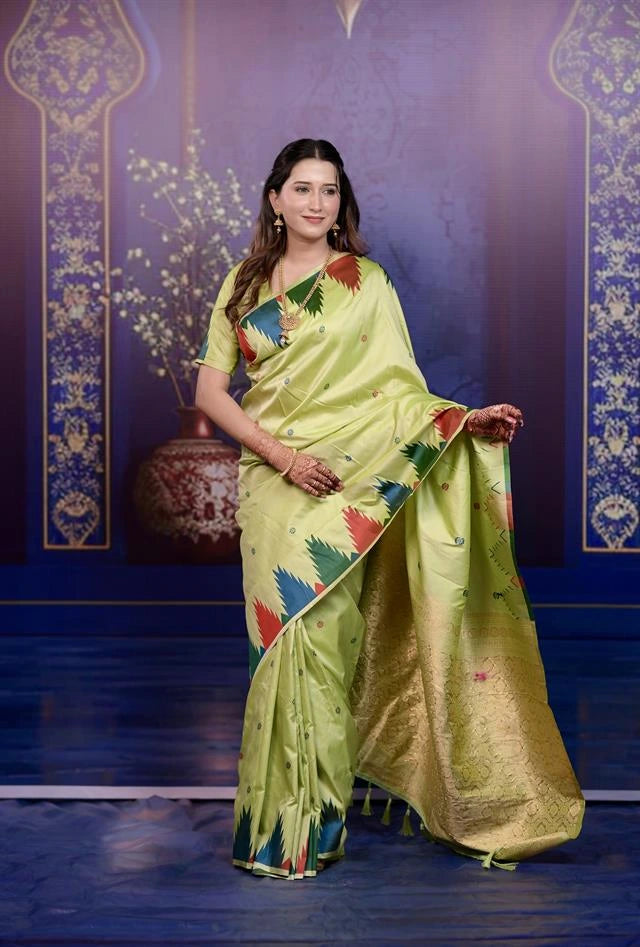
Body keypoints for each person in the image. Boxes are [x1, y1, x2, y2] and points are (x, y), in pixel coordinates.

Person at [194, 138, 584, 879]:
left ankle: (315, 828)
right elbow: (212, 393)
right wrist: (283, 457)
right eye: (302, 188)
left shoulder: (365, 283)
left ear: (341, 203)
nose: (316, 202)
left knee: (327, 647)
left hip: (345, 483)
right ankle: (274, 831)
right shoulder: (241, 285)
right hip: (274, 484)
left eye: (329, 191)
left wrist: (463, 422)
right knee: (280, 644)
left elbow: (398, 393)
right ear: (275, 199)